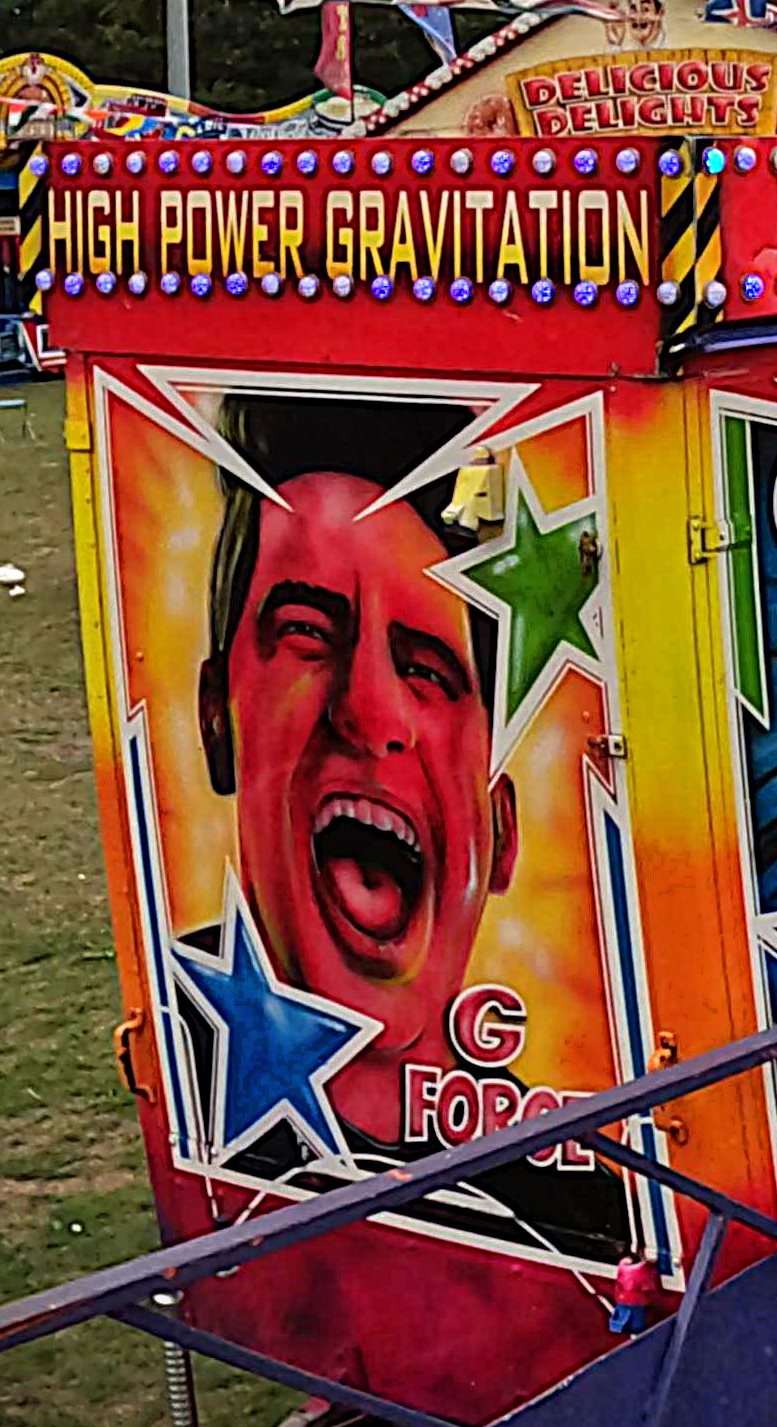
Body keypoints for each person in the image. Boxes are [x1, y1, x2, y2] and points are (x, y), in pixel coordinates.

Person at [195, 395, 631, 1259]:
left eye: (427, 670)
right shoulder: (191, 1057)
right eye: (308, 634)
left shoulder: (593, 1182)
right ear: (217, 722)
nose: (370, 713)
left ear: (498, 830)